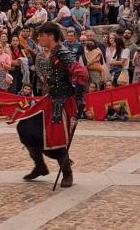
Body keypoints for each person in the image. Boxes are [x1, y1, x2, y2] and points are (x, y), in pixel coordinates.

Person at [9, 22, 88, 188]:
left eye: (41, 35)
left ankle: (67, 172)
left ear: (51, 36)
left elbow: (81, 73)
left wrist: (80, 98)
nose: (38, 38)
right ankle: (40, 165)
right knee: (25, 126)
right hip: (50, 98)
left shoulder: (62, 52)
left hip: (62, 102)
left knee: (55, 138)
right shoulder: (54, 52)